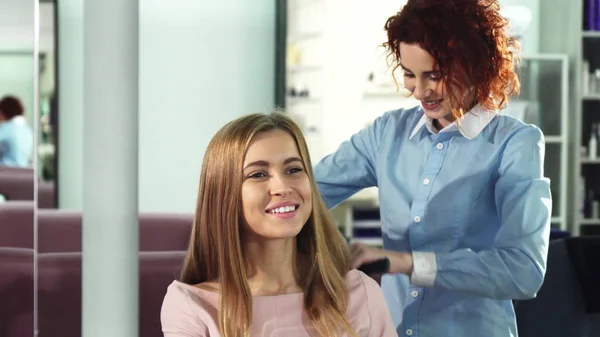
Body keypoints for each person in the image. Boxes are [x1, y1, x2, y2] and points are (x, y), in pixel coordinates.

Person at [313, 0, 552, 336]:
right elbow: (309, 194)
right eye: (410, 74)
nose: (420, 91)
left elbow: (523, 270)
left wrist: (405, 263)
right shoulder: (387, 134)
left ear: (476, 65)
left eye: (435, 76)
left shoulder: (514, 144)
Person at [160, 112, 398, 337]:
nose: (283, 187)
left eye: (293, 169)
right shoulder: (191, 306)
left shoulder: (359, 293)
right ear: (223, 195)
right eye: (258, 174)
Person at [0, 95, 33, 167]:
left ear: (2, 112)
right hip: (22, 172)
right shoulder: (27, 130)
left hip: (5, 172)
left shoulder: (6, 128)